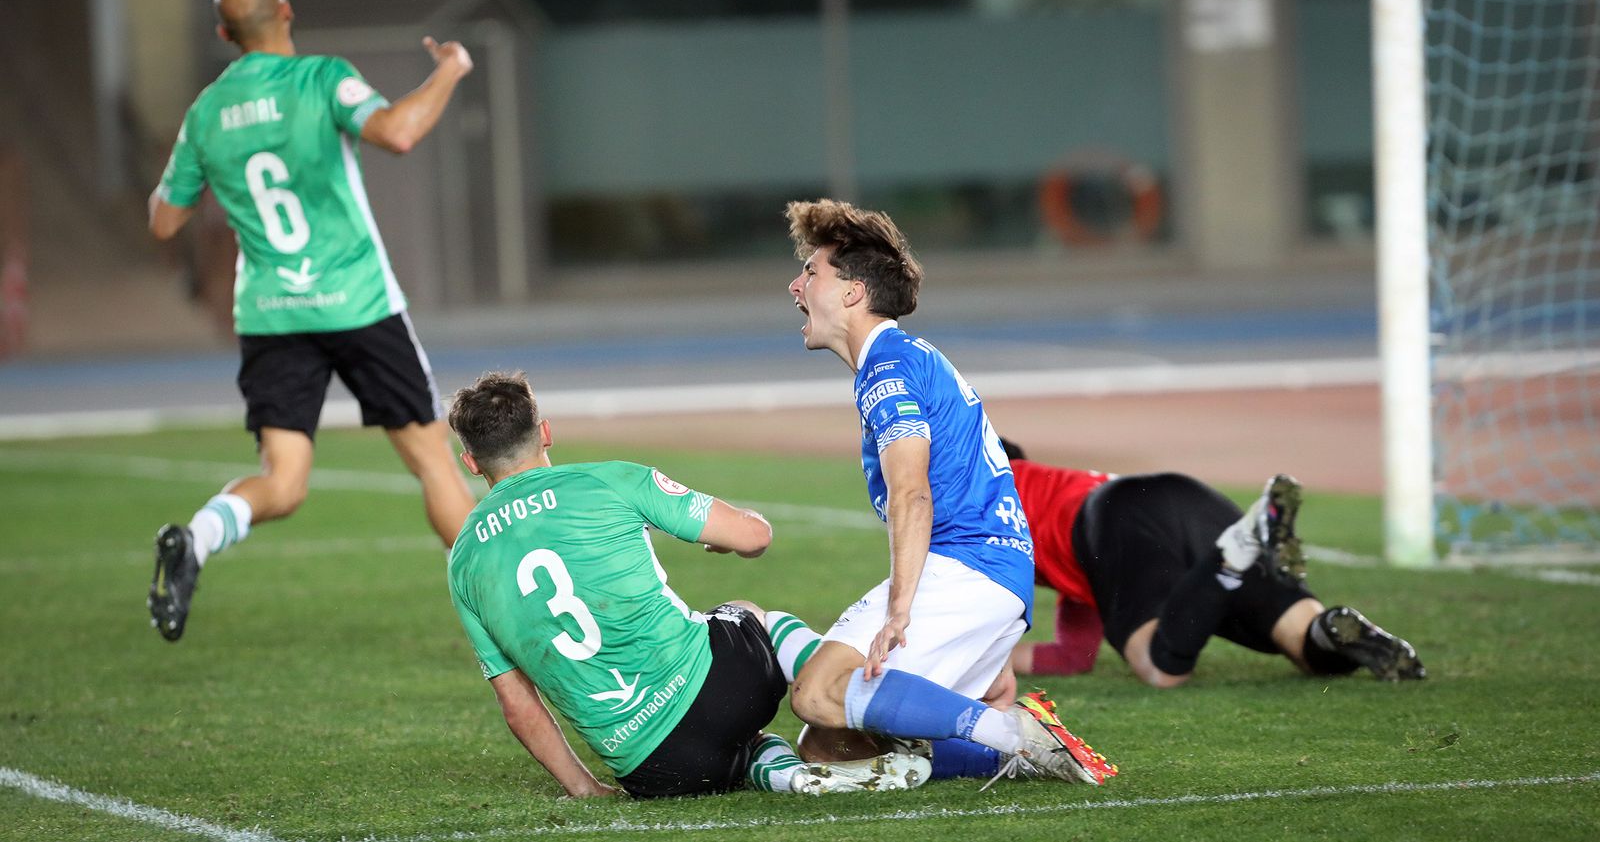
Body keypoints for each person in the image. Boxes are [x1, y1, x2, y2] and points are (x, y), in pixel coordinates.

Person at [144, 0, 479, 642]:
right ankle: (506, 599)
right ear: (287, 12)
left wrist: (208, 164)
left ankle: (198, 537)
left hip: (273, 314)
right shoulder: (323, 79)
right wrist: (450, 69)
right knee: (432, 460)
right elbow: (399, 131)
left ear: (225, 34)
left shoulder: (206, 112)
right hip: (358, 302)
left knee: (285, 482)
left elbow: (163, 220)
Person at [445, 370, 931, 798]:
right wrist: (731, 534)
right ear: (546, 433)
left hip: (652, 768)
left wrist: (583, 787)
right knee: (749, 613)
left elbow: (516, 702)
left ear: (471, 462)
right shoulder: (609, 480)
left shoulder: (463, 559)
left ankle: (789, 777)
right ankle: (870, 704)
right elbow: (754, 536)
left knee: (745, 747)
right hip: (721, 687)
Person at [778, 199, 1117, 788]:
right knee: (827, 746)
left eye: (811, 272)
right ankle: (1000, 751)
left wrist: (899, 611)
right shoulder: (909, 356)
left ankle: (1012, 733)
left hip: (967, 566)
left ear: (853, 293)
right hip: (995, 574)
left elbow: (912, 493)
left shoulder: (887, 368)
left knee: (817, 692)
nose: (795, 286)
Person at [999, 438, 1426, 687]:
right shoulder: (1056, 500)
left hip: (1117, 517)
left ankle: (1232, 554)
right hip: (1181, 497)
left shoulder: (984, 495)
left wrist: (970, 661)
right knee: (1302, 641)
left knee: (1160, 667)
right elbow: (1075, 655)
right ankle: (1335, 627)